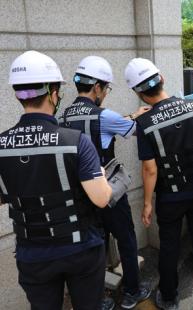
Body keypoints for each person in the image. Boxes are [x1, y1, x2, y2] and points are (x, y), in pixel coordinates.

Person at [0, 50, 112, 310]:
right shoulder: (76, 141)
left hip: (32, 254)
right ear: (53, 93)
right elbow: (101, 198)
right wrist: (103, 177)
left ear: (18, 94)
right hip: (80, 249)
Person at [124, 58, 193, 310]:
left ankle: (168, 299)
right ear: (162, 79)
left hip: (170, 197)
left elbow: (150, 169)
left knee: (169, 246)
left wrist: (146, 203)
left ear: (139, 93)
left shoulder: (144, 124)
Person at [59, 56, 150, 310]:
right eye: (106, 89)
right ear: (97, 87)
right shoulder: (104, 115)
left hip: (83, 196)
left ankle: (99, 300)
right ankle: (133, 291)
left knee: (96, 246)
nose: (106, 94)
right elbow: (132, 130)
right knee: (127, 239)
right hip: (109, 192)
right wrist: (137, 118)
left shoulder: (64, 117)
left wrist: (130, 114)